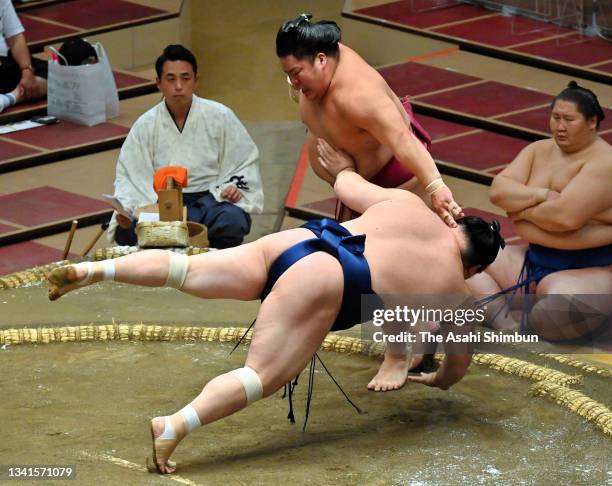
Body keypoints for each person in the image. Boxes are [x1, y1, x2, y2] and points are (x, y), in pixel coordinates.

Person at [48, 149, 504, 474]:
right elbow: (457, 364)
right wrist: (436, 379)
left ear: (454, 223)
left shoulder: (407, 203)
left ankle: (91, 269)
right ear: (476, 266)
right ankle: (174, 426)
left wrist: (340, 161)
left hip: (299, 240)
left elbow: (345, 182)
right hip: (326, 278)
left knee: (187, 269)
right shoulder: (453, 292)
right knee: (262, 375)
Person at [276, 13, 463, 226]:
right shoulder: (322, 64)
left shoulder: (360, 94)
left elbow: (402, 138)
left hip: (395, 184)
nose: (294, 82)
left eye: (296, 73)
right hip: (354, 187)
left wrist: (435, 186)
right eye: (289, 75)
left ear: (321, 60)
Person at [467, 82, 612, 341]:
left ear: (592, 122)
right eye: (555, 117)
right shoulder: (538, 150)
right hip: (532, 259)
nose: (560, 126)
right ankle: (506, 325)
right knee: (460, 256)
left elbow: (565, 217)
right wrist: (541, 195)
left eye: (569, 119)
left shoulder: (605, 162)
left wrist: (521, 214)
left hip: (591, 271)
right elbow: (498, 191)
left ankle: (533, 325)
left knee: (561, 308)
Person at [110, 44, 263, 249]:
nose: (179, 86)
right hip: (162, 202)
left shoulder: (220, 116)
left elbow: (244, 161)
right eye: (171, 79)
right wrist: (129, 209)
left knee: (232, 220)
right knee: (128, 230)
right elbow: (130, 174)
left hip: (210, 199)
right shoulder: (145, 125)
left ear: (196, 81)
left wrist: (232, 187)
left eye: (185, 78)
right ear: (159, 83)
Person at [0, 0, 47, 113]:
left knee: (55, 75)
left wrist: (26, 70)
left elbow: (15, 37)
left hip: (4, 62)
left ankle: (9, 98)